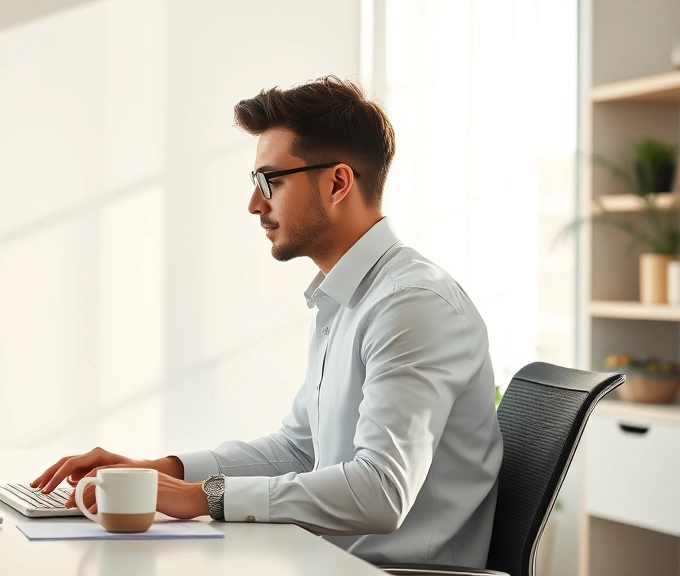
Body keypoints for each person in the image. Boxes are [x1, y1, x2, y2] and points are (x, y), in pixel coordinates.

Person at [32, 76, 503, 568]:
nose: (255, 205)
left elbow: (381, 489)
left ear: (338, 183)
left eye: (269, 181)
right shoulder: (348, 299)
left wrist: (200, 497)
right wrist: (159, 471)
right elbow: (301, 450)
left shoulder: (412, 305)